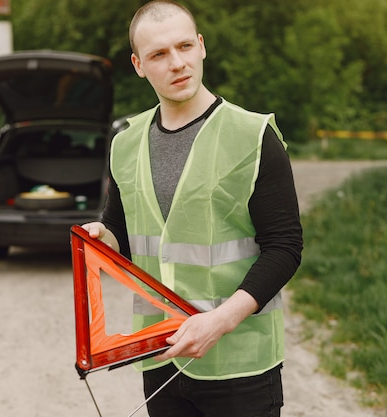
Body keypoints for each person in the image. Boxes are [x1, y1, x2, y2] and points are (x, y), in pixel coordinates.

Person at [82, 1, 303, 415]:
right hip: (160, 354)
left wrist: (218, 322)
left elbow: (285, 247)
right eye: (159, 54)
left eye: (184, 46)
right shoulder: (125, 143)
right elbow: (122, 233)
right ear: (138, 65)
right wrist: (99, 239)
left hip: (240, 364)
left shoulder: (252, 135)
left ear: (201, 46)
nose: (177, 63)